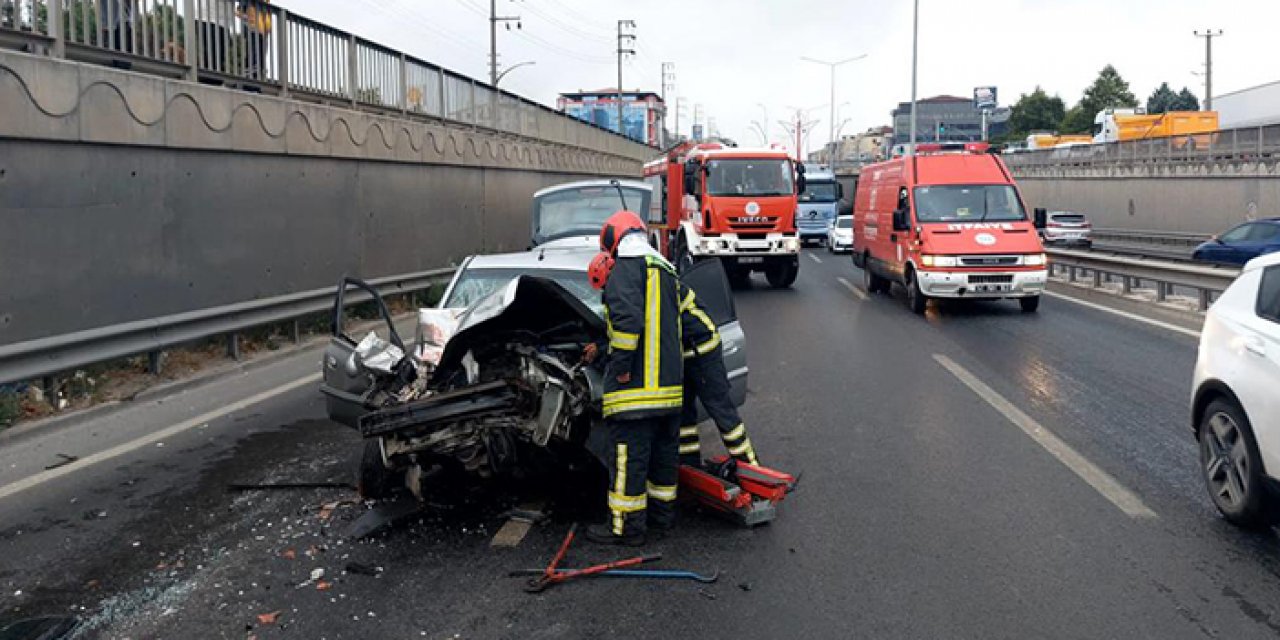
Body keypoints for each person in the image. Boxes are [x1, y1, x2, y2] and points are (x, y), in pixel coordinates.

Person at [582, 212, 683, 546]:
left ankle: (626, 528)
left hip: (635, 393)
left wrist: (621, 366)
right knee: (663, 461)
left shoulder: (626, 267)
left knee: (628, 463)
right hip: (669, 391)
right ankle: (661, 520)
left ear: (614, 239)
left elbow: (627, 323)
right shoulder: (665, 269)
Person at [675, 281, 760, 467]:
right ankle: (689, 465)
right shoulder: (654, 278)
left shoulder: (655, 283)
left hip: (702, 350)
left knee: (720, 409)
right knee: (684, 416)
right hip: (684, 353)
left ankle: (750, 466)